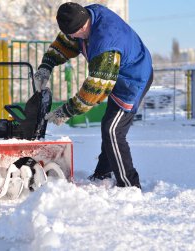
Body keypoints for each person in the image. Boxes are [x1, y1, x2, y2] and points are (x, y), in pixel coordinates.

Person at [34, 2, 153, 189]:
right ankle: (102, 175)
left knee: (113, 130)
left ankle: (130, 185)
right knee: (109, 127)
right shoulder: (84, 16)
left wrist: (66, 111)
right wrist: (46, 66)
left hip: (133, 79)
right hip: (118, 74)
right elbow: (66, 43)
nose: (72, 39)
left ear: (83, 27)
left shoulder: (106, 43)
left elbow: (95, 90)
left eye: (73, 34)